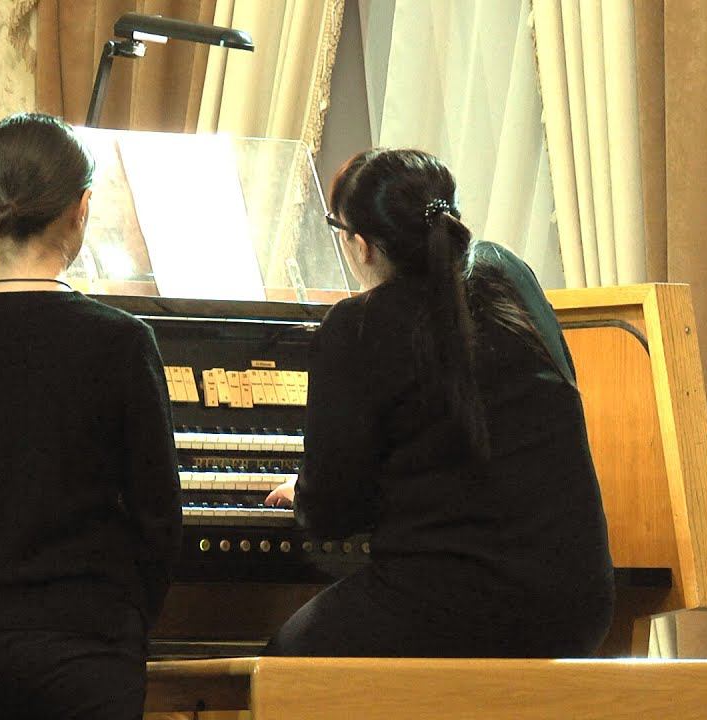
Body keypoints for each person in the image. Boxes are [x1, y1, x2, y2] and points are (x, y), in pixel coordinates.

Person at [263, 149, 614, 658]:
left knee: (282, 668)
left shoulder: (357, 325)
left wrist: (306, 491)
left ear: (362, 246)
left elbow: (331, 515)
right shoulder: (510, 275)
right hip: (577, 605)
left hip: (455, 603)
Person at [0, 112, 182, 719]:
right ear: (81, 208)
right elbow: (160, 519)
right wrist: (122, 621)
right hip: (88, 645)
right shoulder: (122, 341)